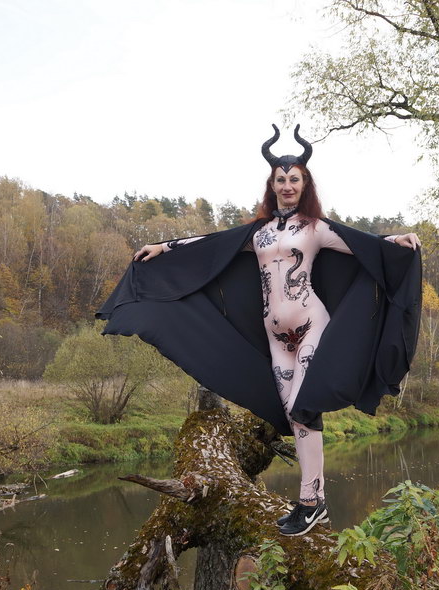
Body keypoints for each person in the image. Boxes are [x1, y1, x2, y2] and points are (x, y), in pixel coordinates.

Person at [97, 125, 421, 537]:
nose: (287, 185)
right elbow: (212, 246)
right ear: (272, 185)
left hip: (310, 325)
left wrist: (397, 240)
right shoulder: (259, 233)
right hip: (276, 337)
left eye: (294, 179)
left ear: (305, 184)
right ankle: (315, 503)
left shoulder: (316, 228)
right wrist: (164, 248)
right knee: (293, 415)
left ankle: (310, 501)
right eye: (280, 179)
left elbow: (364, 245)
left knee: (304, 407)